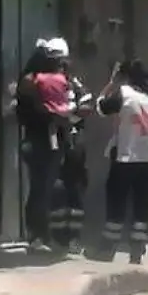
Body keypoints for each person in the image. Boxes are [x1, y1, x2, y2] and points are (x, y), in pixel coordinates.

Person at [96, 59, 148, 263]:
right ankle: (137, 250)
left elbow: (102, 108)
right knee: (141, 207)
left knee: (117, 203)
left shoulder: (125, 93)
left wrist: (111, 83)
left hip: (126, 159)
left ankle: (107, 249)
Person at [12, 44, 73, 251]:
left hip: (51, 141)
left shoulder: (50, 80)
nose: (58, 65)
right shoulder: (31, 81)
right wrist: (56, 115)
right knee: (40, 189)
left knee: (45, 189)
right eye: (55, 61)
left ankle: (42, 235)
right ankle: (36, 235)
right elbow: (36, 110)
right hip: (38, 141)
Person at [41, 37, 96, 252]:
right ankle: (57, 238)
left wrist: (67, 115)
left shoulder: (74, 84)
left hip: (72, 144)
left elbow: (87, 107)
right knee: (55, 189)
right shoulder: (43, 82)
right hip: (53, 142)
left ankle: (72, 238)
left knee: (74, 190)